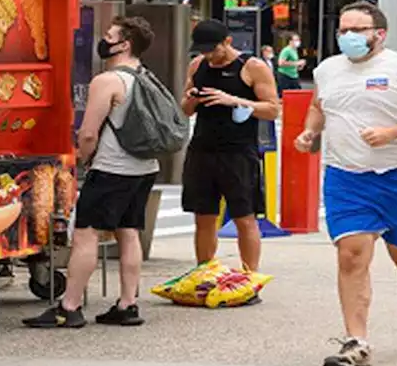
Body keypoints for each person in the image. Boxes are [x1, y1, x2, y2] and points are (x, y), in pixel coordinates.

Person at [294, 1, 397, 366]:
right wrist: (310, 130)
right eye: (342, 30)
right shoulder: (327, 70)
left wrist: (392, 133)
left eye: (356, 30)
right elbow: (320, 105)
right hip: (346, 176)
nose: (347, 37)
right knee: (351, 254)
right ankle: (357, 342)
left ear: (378, 34)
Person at [24, 17, 159, 329]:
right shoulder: (146, 76)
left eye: (109, 36)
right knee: (129, 232)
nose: (104, 39)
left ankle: (68, 307)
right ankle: (128, 304)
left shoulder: (107, 81)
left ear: (124, 44)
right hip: (145, 167)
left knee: (86, 234)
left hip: (112, 168)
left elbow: (88, 133)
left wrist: (83, 159)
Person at [181, 20, 280, 273]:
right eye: (204, 51)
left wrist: (233, 100)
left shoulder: (251, 67)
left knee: (244, 217)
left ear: (228, 42)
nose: (209, 56)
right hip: (203, 148)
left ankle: (250, 276)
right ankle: (203, 271)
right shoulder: (198, 65)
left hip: (238, 151)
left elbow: (272, 109)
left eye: (213, 50)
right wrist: (192, 99)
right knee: (203, 216)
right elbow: (185, 108)